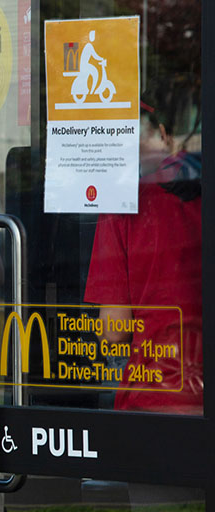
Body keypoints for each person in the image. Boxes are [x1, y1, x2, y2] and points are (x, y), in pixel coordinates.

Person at [85, 76, 202, 415]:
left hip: (151, 397)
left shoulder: (124, 203)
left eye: (138, 134)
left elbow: (113, 330)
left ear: (165, 135)